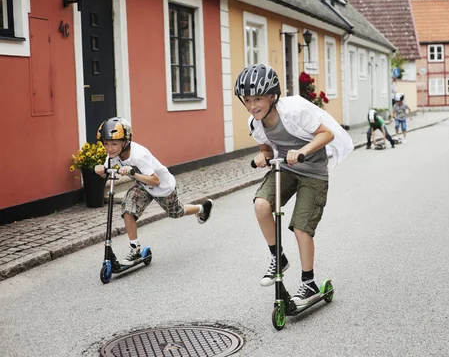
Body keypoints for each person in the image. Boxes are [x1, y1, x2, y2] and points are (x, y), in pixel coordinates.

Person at [234, 63, 353, 306]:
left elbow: (326, 134)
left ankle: (308, 283)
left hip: (313, 172)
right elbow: (266, 149)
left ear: (272, 96)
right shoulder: (255, 123)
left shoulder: (295, 110)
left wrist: (302, 150)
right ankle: (278, 257)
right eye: (247, 100)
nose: (252, 105)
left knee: (301, 227)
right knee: (261, 204)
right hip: (286, 168)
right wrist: (263, 157)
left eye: (258, 98)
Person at [93, 117, 214, 264]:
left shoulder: (139, 156)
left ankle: (201, 208)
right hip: (143, 186)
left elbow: (155, 181)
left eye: (113, 144)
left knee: (176, 213)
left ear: (125, 142)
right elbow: (107, 170)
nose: (109, 148)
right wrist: (100, 170)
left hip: (163, 187)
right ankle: (135, 249)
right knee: (128, 209)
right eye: (106, 143)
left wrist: (133, 173)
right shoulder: (113, 156)